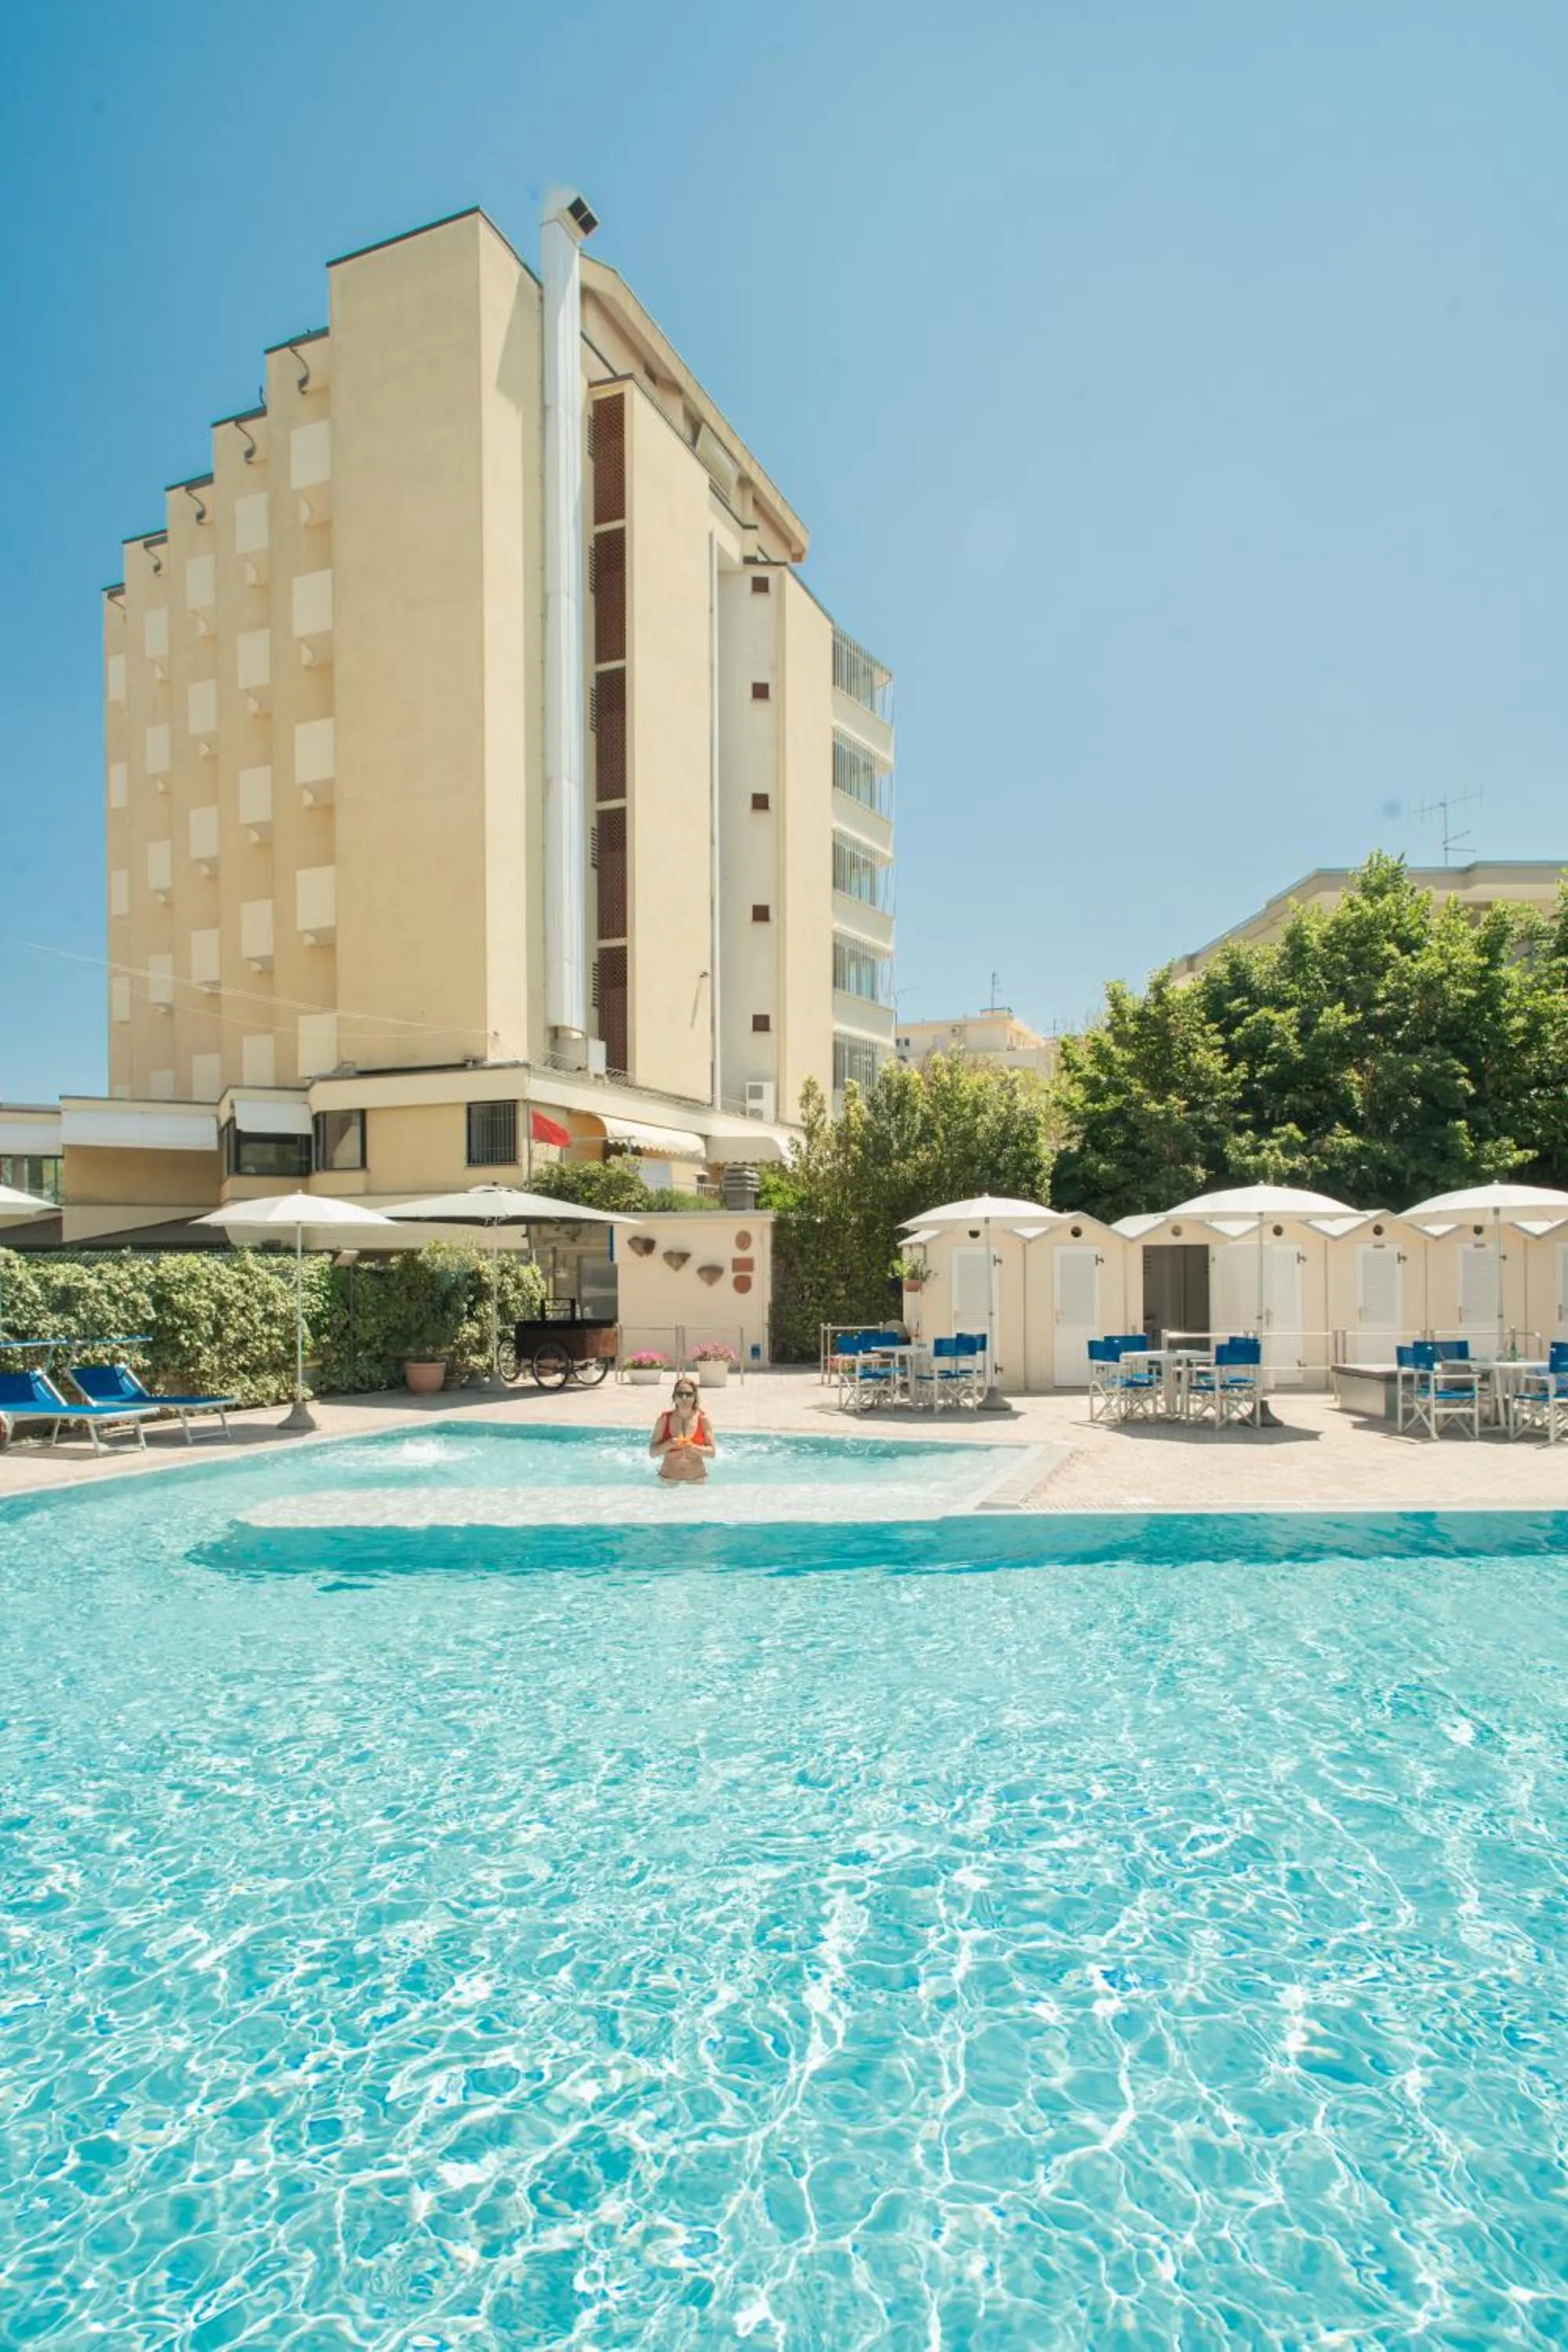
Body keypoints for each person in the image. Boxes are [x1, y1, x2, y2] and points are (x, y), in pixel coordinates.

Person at [650, 1377, 717, 1483]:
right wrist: (669, 1444)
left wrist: (692, 1447)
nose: (684, 1398)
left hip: (696, 1479)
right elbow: (653, 1453)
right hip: (669, 1479)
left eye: (689, 1394)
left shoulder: (703, 1419)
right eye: (680, 1394)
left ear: (695, 1397)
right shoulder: (664, 1419)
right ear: (674, 1397)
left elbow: (712, 1453)